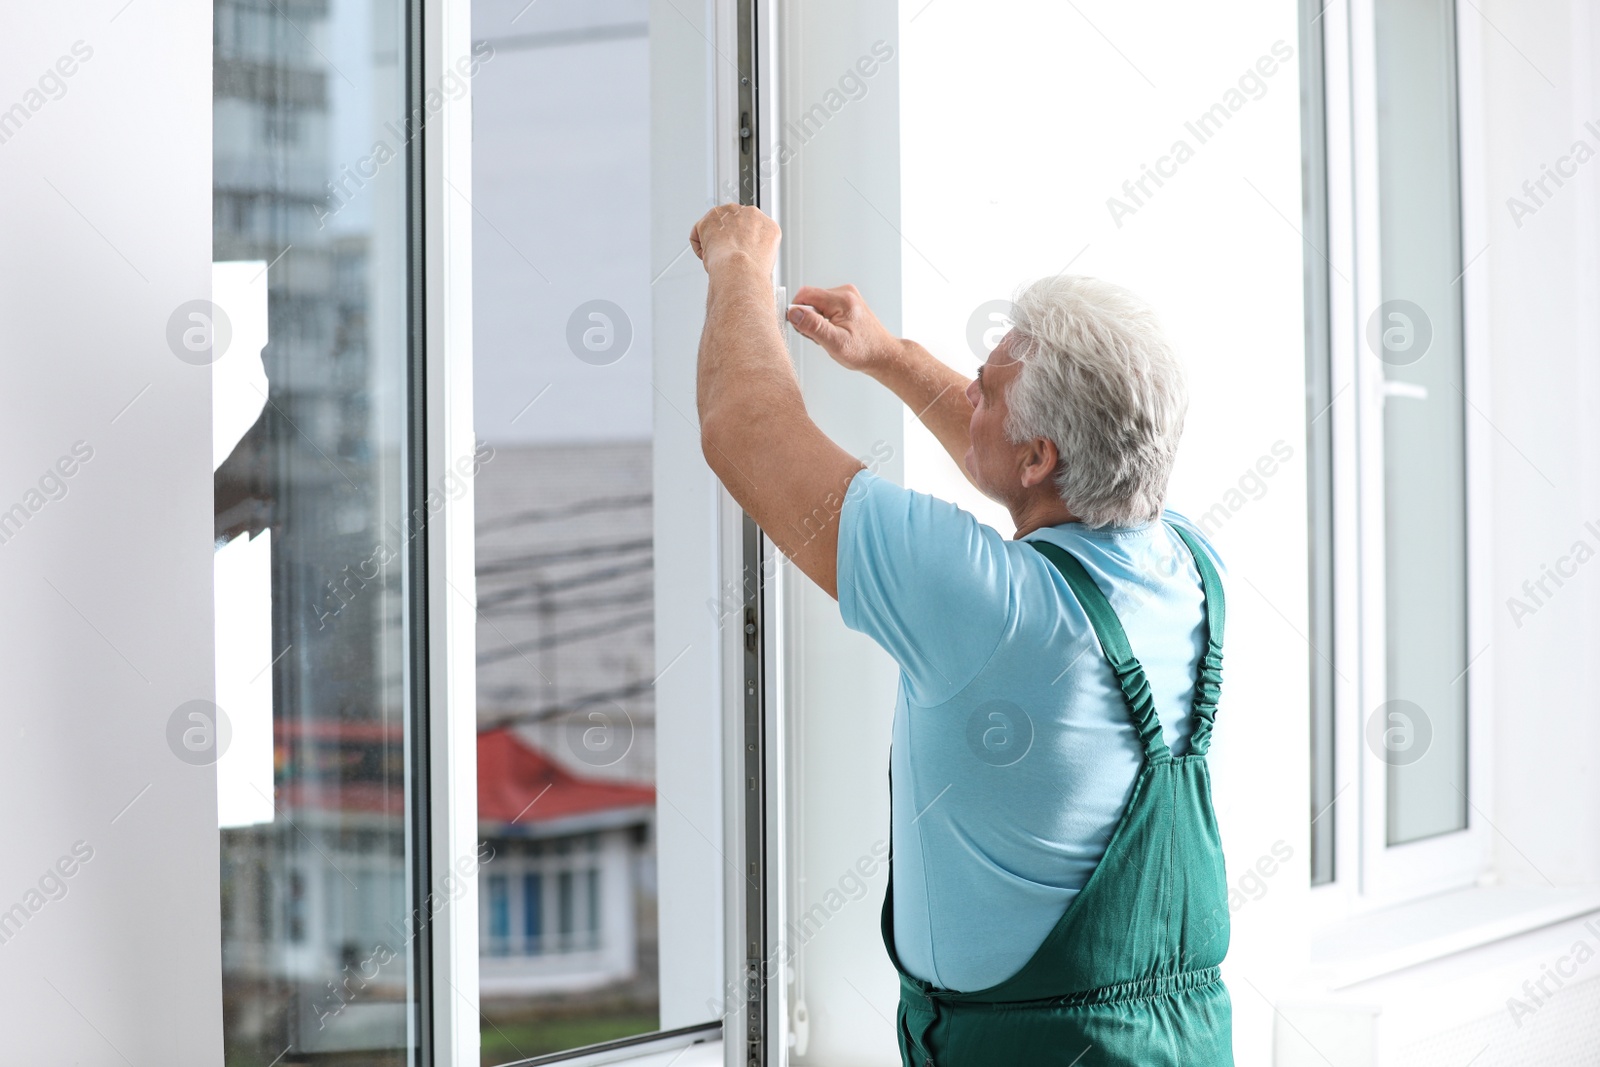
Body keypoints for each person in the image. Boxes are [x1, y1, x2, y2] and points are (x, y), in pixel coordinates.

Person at [690, 203, 1232, 1066]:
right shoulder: (1188, 561)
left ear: (1042, 458)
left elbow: (744, 431)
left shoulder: (1002, 610)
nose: (968, 392)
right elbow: (1018, 466)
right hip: (1182, 1036)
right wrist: (891, 358)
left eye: (985, 387)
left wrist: (738, 263)